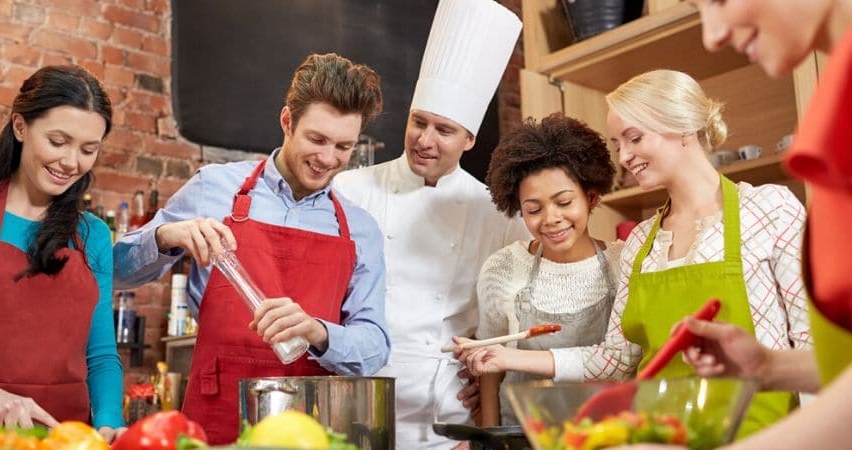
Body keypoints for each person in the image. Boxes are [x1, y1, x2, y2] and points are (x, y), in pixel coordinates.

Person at [458, 69, 810, 437]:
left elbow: (811, 343)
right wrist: (505, 356)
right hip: (661, 437)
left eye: (634, 138)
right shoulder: (641, 243)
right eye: (617, 143)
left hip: (762, 436)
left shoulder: (770, 210)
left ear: (684, 127)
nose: (624, 156)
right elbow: (617, 358)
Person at [609, 1, 852, 449]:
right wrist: (768, 368)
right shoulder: (835, 118)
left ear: (682, 128)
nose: (712, 35)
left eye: (718, 0)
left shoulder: (771, 207)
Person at [113, 53, 389, 445]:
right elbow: (115, 272)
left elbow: (375, 345)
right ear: (287, 122)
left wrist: (318, 332)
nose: (328, 159)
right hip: (214, 419)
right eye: (317, 139)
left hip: (307, 429)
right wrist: (164, 237)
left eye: (343, 146)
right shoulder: (213, 187)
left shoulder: (360, 229)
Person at [332, 0, 527, 447]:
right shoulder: (351, 190)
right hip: (361, 397)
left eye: (443, 130)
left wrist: (493, 378)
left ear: (470, 139)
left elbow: (519, 311)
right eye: (419, 122)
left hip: (446, 410)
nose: (424, 140)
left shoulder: (496, 210)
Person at [0, 65, 124, 439]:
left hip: (64, 439)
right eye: (58, 141)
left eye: (88, 149)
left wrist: (111, 422)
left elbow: (101, 356)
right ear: (20, 127)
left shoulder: (92, 234)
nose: (71, 162)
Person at [458, 113, 623, 427]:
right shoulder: (503, 269)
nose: (550, 219)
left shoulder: (622, 263)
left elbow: (626, 361)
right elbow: (491, 369)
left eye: (564, 202)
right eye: (533, 209)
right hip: (522, 435)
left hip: (605, 437)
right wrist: (494, 440)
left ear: (590, 197)